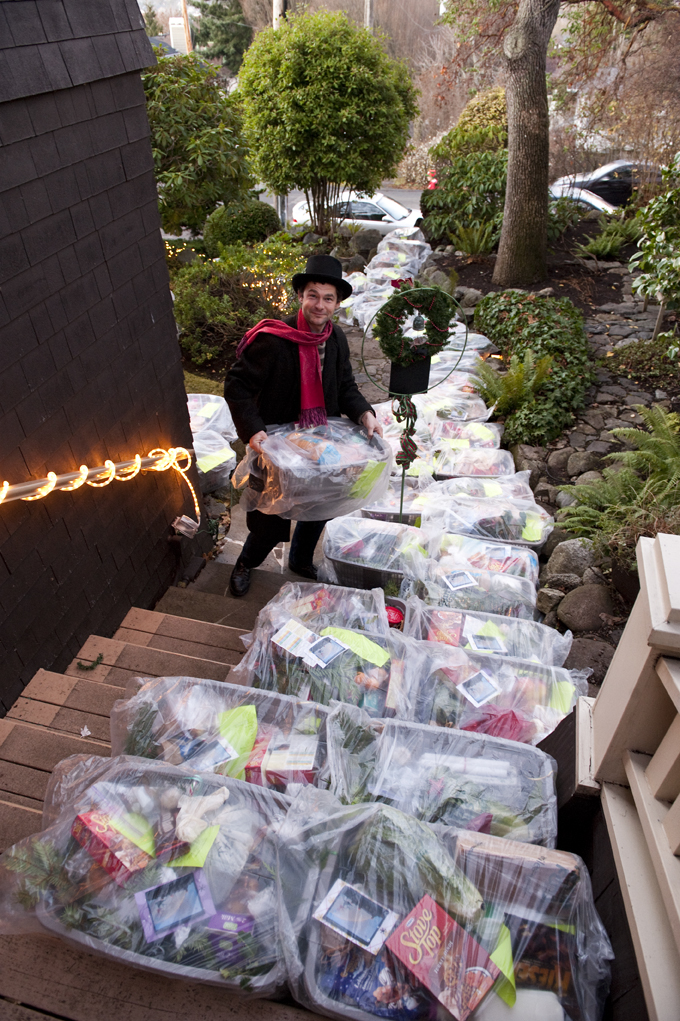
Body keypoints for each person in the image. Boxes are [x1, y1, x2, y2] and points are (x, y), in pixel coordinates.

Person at [224, 253, 383, 597]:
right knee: (269, 519)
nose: (320, 305)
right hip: (277, 450)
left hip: (321, 446)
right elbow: (237, 386)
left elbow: (344, 387)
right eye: (313, 295)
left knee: (317, 509)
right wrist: (253, 430)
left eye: (328, 298)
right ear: (300, 296)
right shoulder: (274, 339)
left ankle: (300, 560)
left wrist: (364, 413)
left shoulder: (336, 338)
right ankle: (245, 563)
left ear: (337, 303)